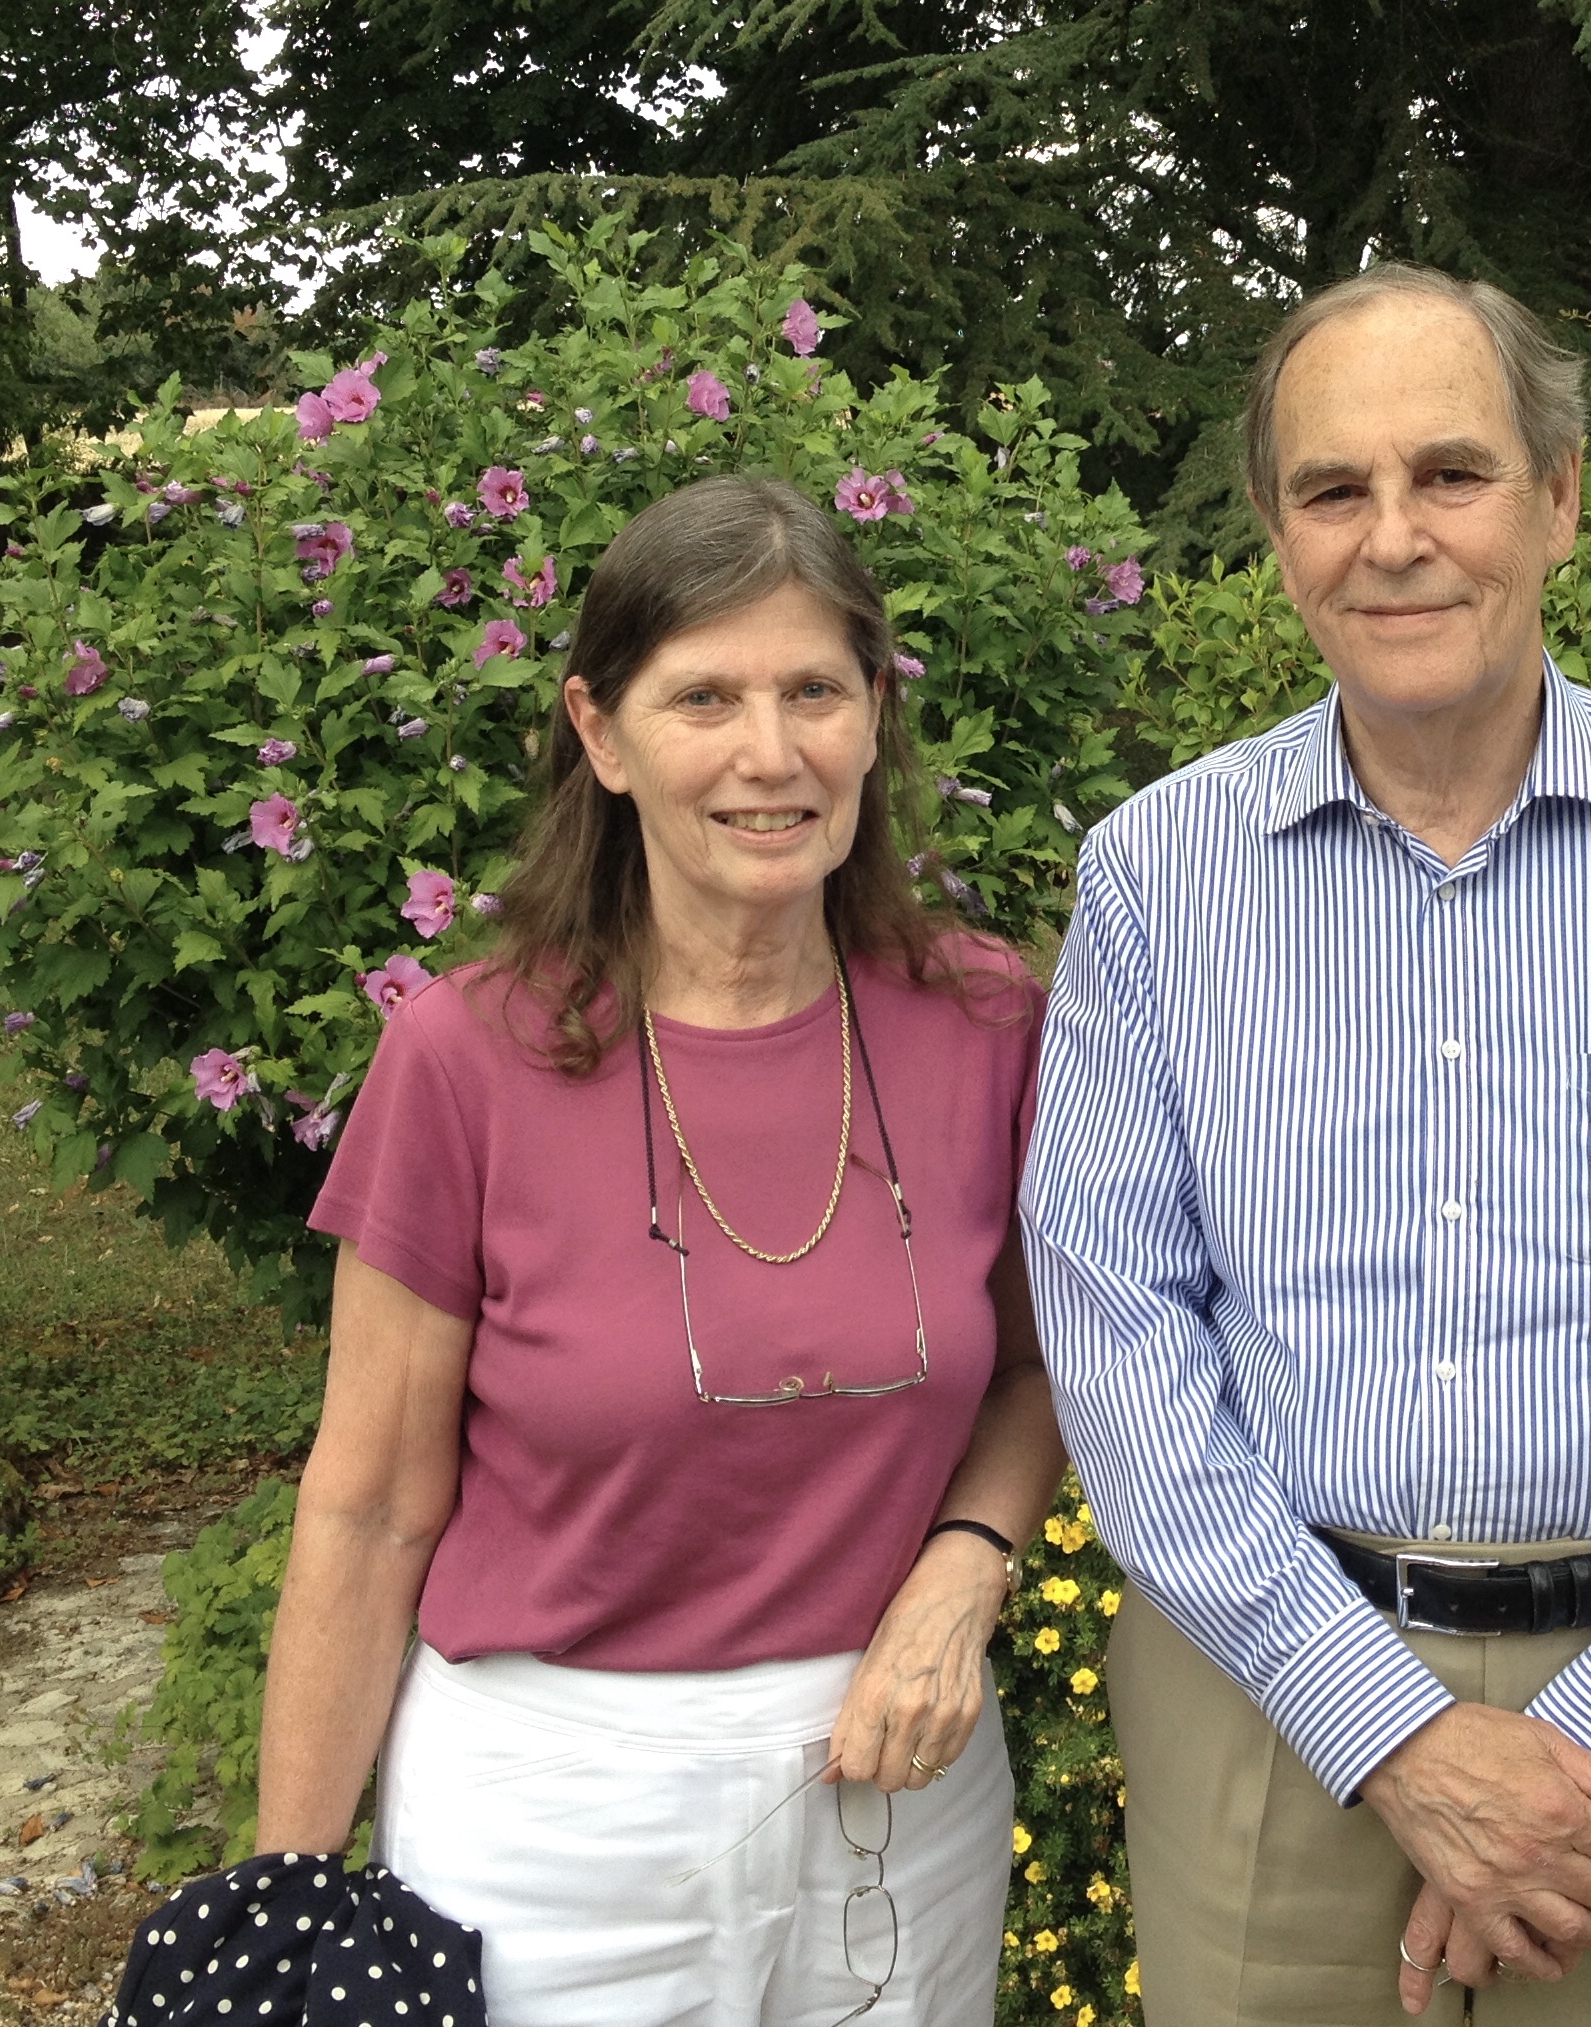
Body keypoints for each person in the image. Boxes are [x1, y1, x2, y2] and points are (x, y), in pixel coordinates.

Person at [1021, 266, 1591, 2025]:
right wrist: (1389, 1730)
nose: (1395, 538)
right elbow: (1120, 1330)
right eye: (1333, 490)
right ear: (1279, 534)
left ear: (1562, 498)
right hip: (1272, 1699)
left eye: (1453, 475)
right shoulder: (1153, 878)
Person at [254, 475, 1063, 2027]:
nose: (773, 753)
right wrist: (284, 1897)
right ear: (603, 734)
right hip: (553, 1816)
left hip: (899, 1794)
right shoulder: (466, 1058)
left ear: (873, 721)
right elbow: (365, 1511)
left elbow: (1039, 1366)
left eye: (815, 690)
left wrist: (964, 1572)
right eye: (704, 697)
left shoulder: (978, 1022)